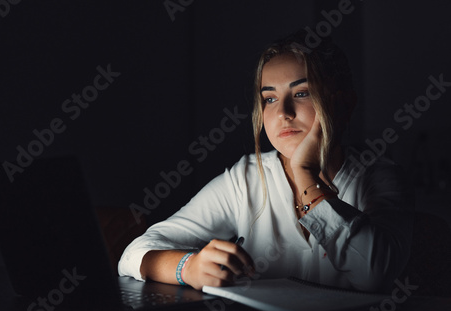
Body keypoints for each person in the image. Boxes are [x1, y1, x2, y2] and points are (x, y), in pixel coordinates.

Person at [118, 30, 414, 293]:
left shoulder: (381, 177)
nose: (283, 112)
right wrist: (189, 267)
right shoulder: (245, 178)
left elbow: (375, 274)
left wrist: (304, 174)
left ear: (344, 104)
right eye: (269, 99)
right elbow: (134, 254)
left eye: (302, 93)